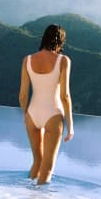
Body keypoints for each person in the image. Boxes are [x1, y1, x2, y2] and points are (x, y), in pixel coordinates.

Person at [19, 24, 74, 185]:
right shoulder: (63, 61)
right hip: (53, 115)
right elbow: (65, 96)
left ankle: (24, 192)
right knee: (47, 168)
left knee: (37, 162)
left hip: (32, 114)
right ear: (60, 42)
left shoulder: (27, 60)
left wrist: (25, 115)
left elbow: (22, 95)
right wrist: (70, 126)